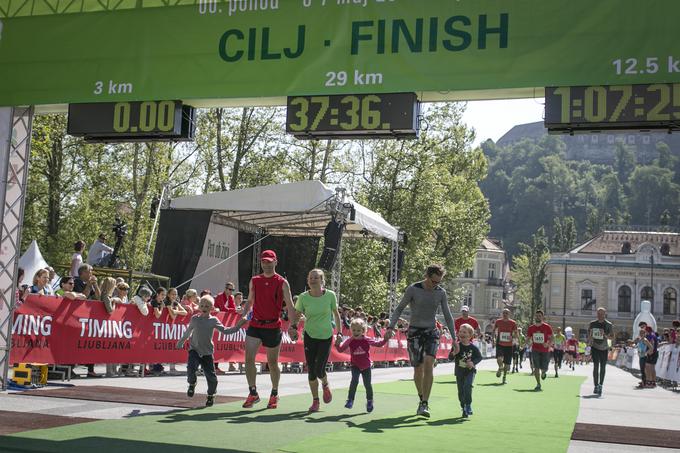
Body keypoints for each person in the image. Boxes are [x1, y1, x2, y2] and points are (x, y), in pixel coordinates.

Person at [385, 264, 458, 418]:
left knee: (428, 365)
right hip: (414, 332)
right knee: (417, 369)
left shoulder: (441, 293)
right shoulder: (413, 289)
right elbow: (399, 309)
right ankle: (421, 397)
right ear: (427, 276)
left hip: (431, 331)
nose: (435, 285)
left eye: (438, 282)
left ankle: (425, 403)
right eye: (433, 281)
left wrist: (455, 339)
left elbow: (448, 316)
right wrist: (391, 327)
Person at [232, 250, 297, 409]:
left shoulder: (282, 282)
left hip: (273, 326)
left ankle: (274, 393)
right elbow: (250, 300)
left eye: (269, 262)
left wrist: (293, 325)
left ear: (276, 262)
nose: (267, 265)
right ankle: (253, 393)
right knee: (248, 359)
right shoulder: (255, 280)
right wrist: (244, 313)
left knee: (272, 363)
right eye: (264, 262)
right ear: (261, 263)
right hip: (255, 325)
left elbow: (290, 305)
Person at [176, 295, 240, 407]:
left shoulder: (213, 320)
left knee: (211, 377)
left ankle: (211, 395)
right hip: (194, 349)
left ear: (212, 308)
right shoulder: (195, 319)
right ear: (199, 307)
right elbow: (188, 332)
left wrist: (238, 326)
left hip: (207, 353)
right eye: (202, 305)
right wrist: (181, 342)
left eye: (207, 306)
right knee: (191, 368)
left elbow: (225, 331)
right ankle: (192, 383)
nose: (204, 307)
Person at [295, 268, 342, 412]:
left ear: (322, 281)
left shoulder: (330, 295)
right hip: (309, 336)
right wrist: (293, 327)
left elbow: (336, 314)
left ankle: (325, 384)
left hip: (326, 336)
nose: (313, 280)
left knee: (320, 369)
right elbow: (297, 314)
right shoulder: (303, 297)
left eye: (316, 277)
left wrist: (339, 333)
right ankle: (315, 401)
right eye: (310, 277)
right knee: (311, 371)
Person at [336, 317, 386, 412]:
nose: (356, 332)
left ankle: (370, 401)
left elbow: (378, 344)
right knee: (354, 381)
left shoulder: (367, 339)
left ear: (363, 330)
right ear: (351, 330)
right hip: (355, 365)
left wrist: (385, 339)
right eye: (354, 330)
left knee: (367, 384)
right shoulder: (350, 340)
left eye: (358, 330)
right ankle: (350, 400)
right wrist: (337, 344)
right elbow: (340, 350)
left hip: (366, 366)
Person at [451, 323, 482, 418]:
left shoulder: (473, 348)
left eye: (464, 332)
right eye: (460, 332)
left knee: (467, 386)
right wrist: (454, 352)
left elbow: (479, 357)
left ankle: (468, 405)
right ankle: (463, 406)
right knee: (461, 391)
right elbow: (449, 357)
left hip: (470, 371)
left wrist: (473, 363)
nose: (462, 333)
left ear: (470, 336)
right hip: (459, 372)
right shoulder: (457, 346)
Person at [588, 307, 614, 395]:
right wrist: (590, 338)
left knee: (603, 367)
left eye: (602, 314)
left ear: (605, 314)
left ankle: (600, 385)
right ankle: (595, 385)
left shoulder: (608, 324)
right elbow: (590, 336)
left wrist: (605, 335)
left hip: (604, 348)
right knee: (595, 366)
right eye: (598, 314)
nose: (600, 316)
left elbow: (612, 337)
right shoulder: (592, 323)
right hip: (595, 347)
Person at [526, 310, 553, 391]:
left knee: (544, 368)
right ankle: (538, 383)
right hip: (535, 349)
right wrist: (528, 342)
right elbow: (528, 338)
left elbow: (552, 338)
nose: (538, 317)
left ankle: (544, 372)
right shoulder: (531, 328)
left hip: (545, 350)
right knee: (536, 367)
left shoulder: (547, 327)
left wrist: (548, 344)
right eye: (536, 315)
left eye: (539, 316)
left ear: (542, 317)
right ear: (535, 317)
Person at [493, 308, 518, 384]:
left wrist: (512, 337)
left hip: (509, 345)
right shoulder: (498, 321)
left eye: (506, 313)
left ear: (509, 314)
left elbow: (516, 334)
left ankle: (504, 377)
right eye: (504, 313)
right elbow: (494, 330)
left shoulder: (513, 323)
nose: (505, 314)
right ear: (502, 314)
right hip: (500, 343)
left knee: (507, 364)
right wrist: (493, 339)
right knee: (499, 358)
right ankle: (500, 367)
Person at [634, 323, 648, 388]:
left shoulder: (645, 340)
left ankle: (644, 383)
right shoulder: (640, 340)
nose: (641, 334)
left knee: (643, 370)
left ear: (645, 334)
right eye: (640, 333)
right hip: (640, 356)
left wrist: (646, 352)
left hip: (644, 356)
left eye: (642, 333)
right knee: (642, 370)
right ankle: (643, 382)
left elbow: (651, 347)